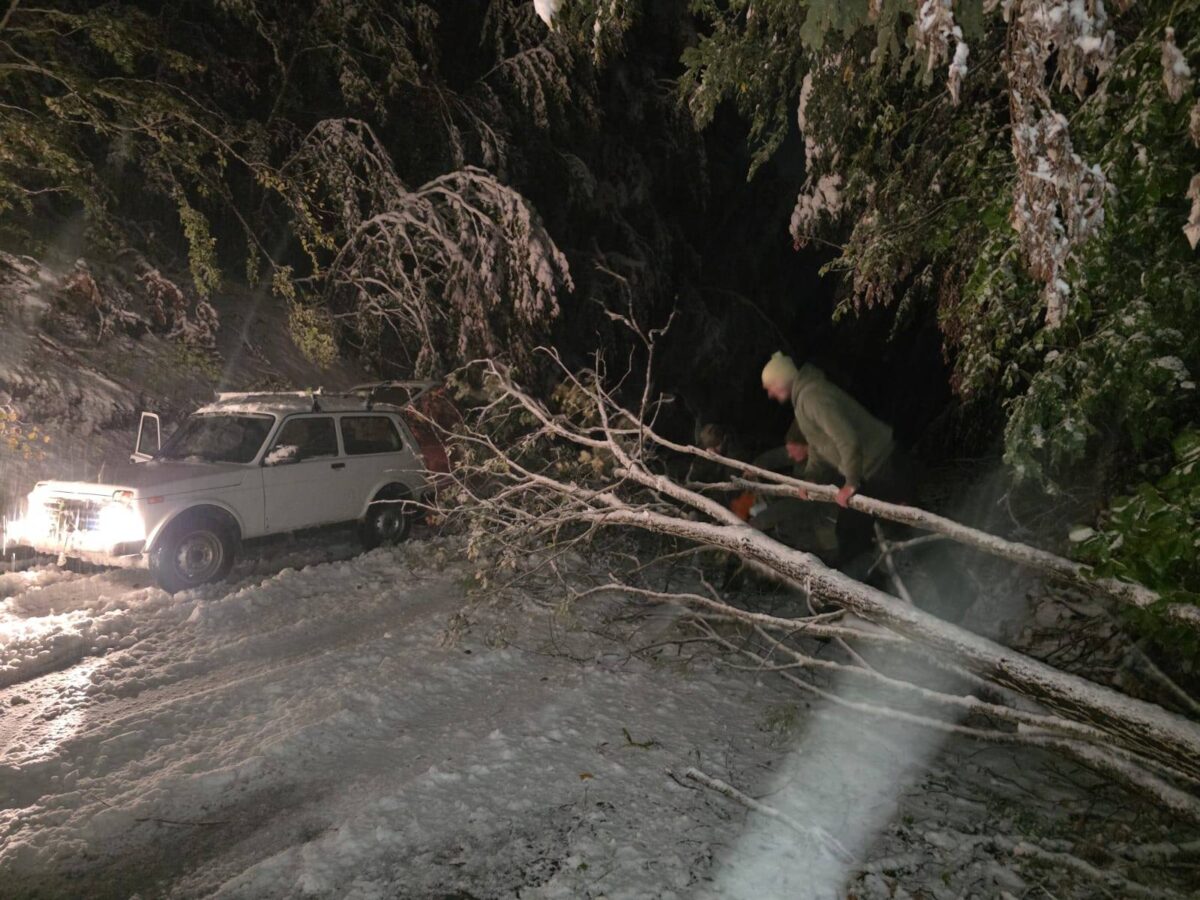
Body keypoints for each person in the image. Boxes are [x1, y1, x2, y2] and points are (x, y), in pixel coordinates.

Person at [760, 350, 911, 565]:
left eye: (771, 387)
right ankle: (865, 588)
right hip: (872, 471)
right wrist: (811, 477)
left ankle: (859, 590)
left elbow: (847, 439)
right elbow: (818, 447)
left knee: (901, 528)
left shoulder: (813, 397)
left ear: (782, 380)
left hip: (883, 466)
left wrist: (850, 483)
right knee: (853, 534)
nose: (770, 394)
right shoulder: (803, 401)